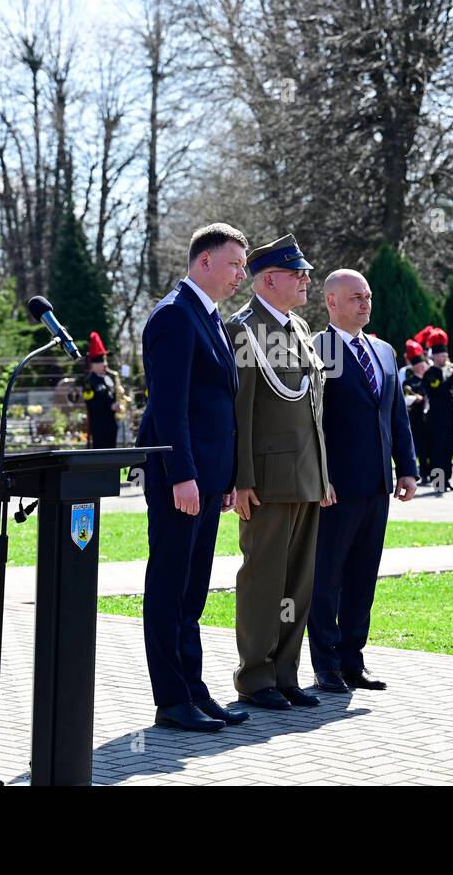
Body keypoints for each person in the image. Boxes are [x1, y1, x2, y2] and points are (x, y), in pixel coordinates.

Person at [138, 222, 248, 732]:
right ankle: (171, 699)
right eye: (234, 264)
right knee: (170, 588)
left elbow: (218, 408)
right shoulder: (175, 315)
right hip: (180, 481)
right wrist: (182, 475)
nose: (241, 275)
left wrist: (223, 479)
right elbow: (169, 406)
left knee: (193, 591)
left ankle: (194, 690)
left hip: (207, 481)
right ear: (204, 261)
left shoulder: (209, 317)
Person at [227, 234, 332, 710]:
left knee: (296, 583)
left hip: (306, 476)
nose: (306, 279)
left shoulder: (300, 328)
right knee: (263, 580)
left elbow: (312, 410)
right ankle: (255, 676)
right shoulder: (244, 330)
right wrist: (242, 479)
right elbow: (240, 412)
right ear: (269, 280)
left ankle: (285, 672)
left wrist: (323, 475)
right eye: (297, 273)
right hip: (267, 479)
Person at [309, 270, 418, 693]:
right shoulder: (316, 349)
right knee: (326, 577)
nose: (365, 303)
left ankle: (353, 661)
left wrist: (406, 468)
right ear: (332, 301)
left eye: (368, 296)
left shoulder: (384, 351)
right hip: (335, 488)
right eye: (356, 297)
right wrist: (320, 476)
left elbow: (395, 414)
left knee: (362, 576)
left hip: (377, 485)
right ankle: (326, 664)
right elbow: (310, 422)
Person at [421, 328, 453, 492]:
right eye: (441, 355)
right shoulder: (430, 374)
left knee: (448, 450)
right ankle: (438, 483)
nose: (445, 358)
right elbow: (439, 391)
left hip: (449, 417)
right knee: (437, 452)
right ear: (433, 356)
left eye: (446, 355)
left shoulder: (447, 372)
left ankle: (447, 481)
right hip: (436, 419)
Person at [80, 331, 118, 449]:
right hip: (99, 426)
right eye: (102, 361)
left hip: (111, 423)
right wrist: (109, 406)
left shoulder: (107, 378)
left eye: (105, 361)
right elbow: (91, 404)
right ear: (93, 364)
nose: (105, 364)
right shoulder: (89, 381)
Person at [403, 350, 432, 483]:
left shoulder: (429, 379)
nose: (422, 367)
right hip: (417, 419)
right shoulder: (409, 382)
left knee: (432, 446)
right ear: (414, 367)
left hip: (430, 418)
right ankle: (424, 473)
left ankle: (434, 474)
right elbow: (405, 399)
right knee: (421, 446)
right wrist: (415, 398)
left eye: (423, 364)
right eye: (419, 365)